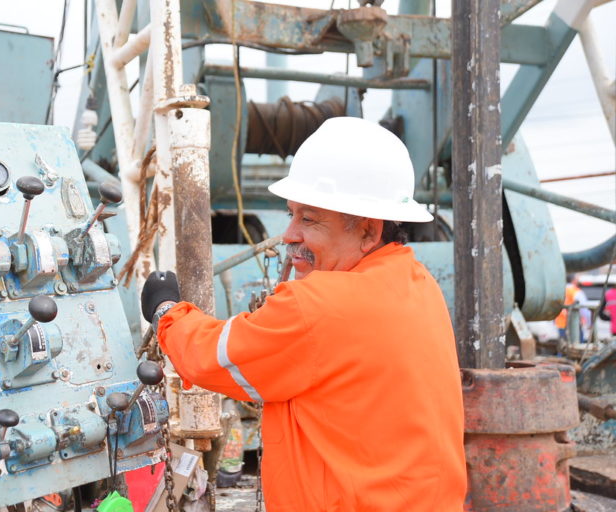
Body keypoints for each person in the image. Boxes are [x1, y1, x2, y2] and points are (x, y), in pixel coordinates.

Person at [141, 117, 467, 511]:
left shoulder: (318, 304)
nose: (290, 234)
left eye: (309, 219)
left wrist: (166, 311)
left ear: (368, 232)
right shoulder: (419, 283)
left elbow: (210, 358)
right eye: (291, 214)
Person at [554, 274, 588, 342]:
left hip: (561, 323)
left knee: (563, 346)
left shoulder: (559, 291)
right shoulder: (576, 291)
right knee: (577, 347)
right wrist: (589, 322)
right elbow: (584, 309)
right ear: (574, 280)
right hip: (574, 325)